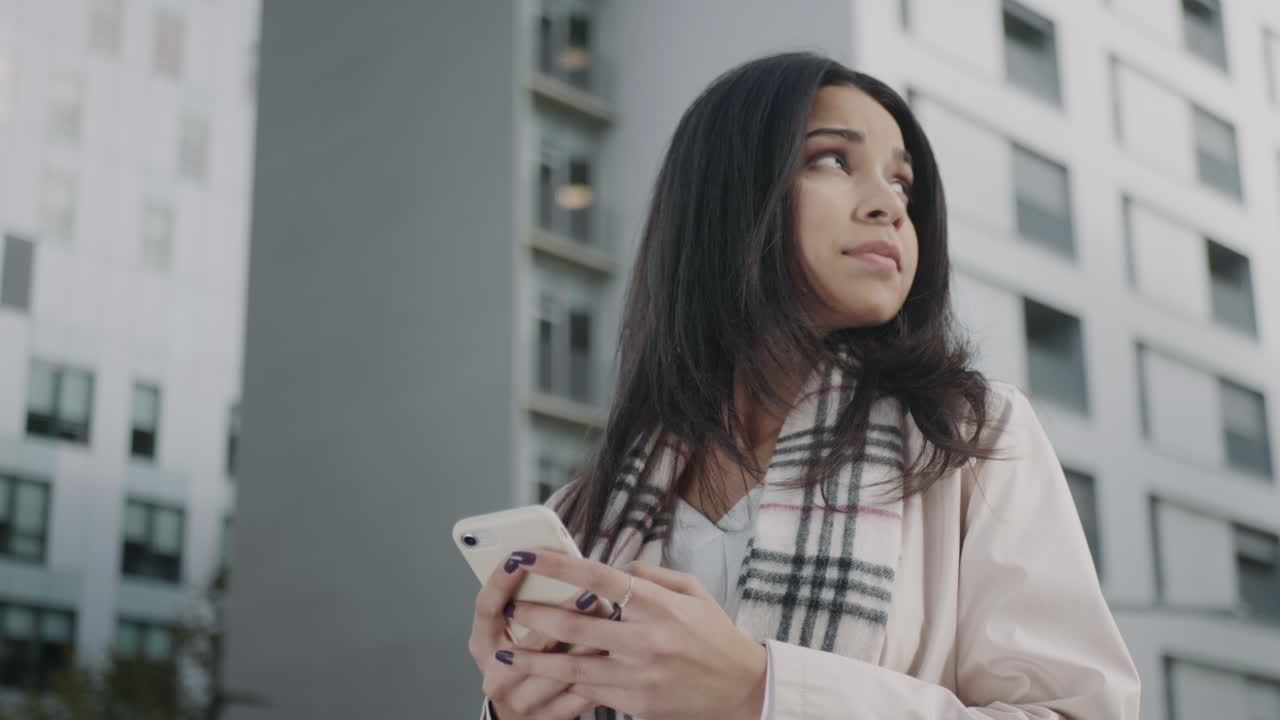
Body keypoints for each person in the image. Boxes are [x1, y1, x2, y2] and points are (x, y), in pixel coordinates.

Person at [468, 51, 1140, 720]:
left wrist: (758, 692)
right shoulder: (590, 508)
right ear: (728, 193)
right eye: (831, 161)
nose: (890, 207)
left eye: (903, 184)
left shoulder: (968, 437)